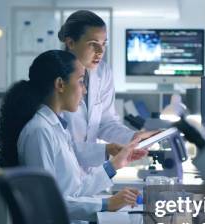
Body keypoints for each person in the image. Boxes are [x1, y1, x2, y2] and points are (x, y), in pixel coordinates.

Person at [0, 50, 140, 219]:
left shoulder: (56, 127)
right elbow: (47, 203)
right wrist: (107, 204)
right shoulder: (39, 132)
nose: (85, 91)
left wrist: (114, 165)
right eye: (81, 82)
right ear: (60, 84)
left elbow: (74, 190)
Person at [58, 10, 157, 168]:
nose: (100, 52)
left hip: (88, 173)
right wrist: (105, 150)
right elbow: (55, 144)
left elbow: (106, 122)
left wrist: (134, 137)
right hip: (61, 171)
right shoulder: (54, 78)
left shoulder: (103, 72)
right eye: (93, 44)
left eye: (104, 44)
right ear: (70, 43)